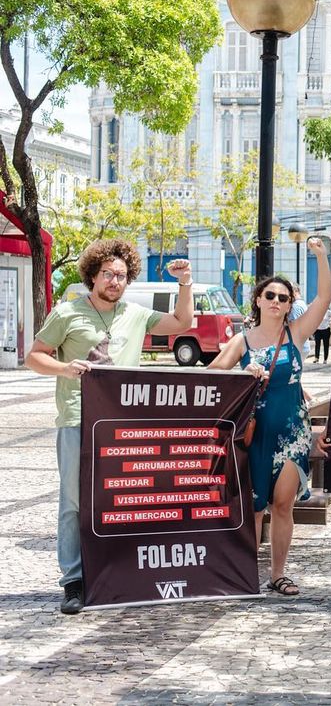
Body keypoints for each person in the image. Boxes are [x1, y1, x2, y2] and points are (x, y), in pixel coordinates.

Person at [27, 240, 195, 614]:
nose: (114, 281)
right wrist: (64, 368)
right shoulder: (67, 313)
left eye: (121, 275)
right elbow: (34, 356)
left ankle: (115, 572)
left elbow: (182, 323)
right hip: (76, 419)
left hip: (122, 425)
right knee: (73, 501)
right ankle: (73, 580)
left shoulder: (135, 313)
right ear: (92, 275)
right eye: (108, 274)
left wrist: (185, 282)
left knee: (120, 500)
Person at [208, 238, 331, 596]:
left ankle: (278, 574)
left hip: (292, 431)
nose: (277, 302)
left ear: (290, 305)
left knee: (282, 504)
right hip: (254, 433)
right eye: (271, 296)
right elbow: (213, 375)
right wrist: (241, 376)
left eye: (284, 298)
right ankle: (245, 575)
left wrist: (321, 256)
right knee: (255, 506)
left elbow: (323, 299)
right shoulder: (241, 342)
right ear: (258, 300)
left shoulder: (295, 334)